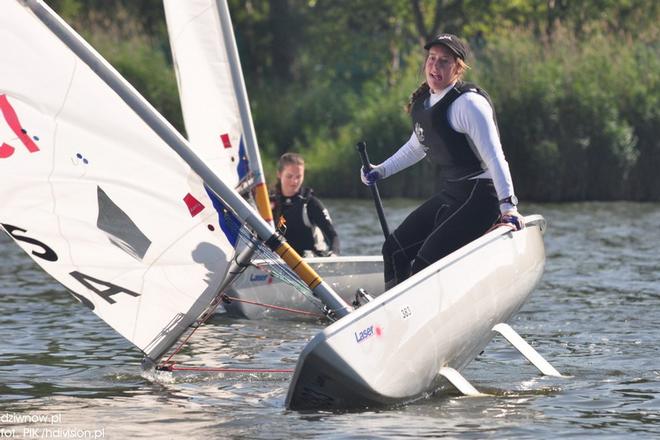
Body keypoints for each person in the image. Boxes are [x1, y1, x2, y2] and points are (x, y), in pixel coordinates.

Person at [361, 33, 524, 289]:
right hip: (452, 193)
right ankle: (395, 318)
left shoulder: (469, 104)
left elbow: (495, 156)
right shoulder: (425, 102)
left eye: (444, 61)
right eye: (431, 59)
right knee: (393, 250)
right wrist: (380, 171)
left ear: (458, 68)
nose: (435, 66)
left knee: (425, 264)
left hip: (481, 197)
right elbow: (417, 147)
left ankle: (419, 314)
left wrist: (508, 207)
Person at [271, 152, 340, 257]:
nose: (294, 181)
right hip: (279, 263)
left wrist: (334, 255)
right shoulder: (268, 203)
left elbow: (333, 235)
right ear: (279, 174)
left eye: (299, 176)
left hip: (311, 262)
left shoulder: (310, 204)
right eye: (289, 176)